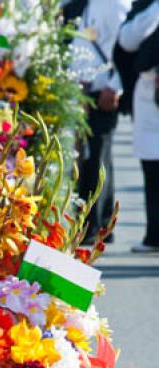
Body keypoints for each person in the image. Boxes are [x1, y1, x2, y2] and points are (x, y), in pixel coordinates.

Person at [67, 0, 132, 244]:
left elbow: (124, 51)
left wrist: (115, 87)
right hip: (81, 91)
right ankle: (102, 221)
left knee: (96, 157)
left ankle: (92, 225)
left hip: (103, 91)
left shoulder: (115, 3)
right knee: (95, 156)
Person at [118, 0, 159, 253]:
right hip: (149, 92)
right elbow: (127, 40)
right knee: (152, 168)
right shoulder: (148, 7)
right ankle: (154, 234)